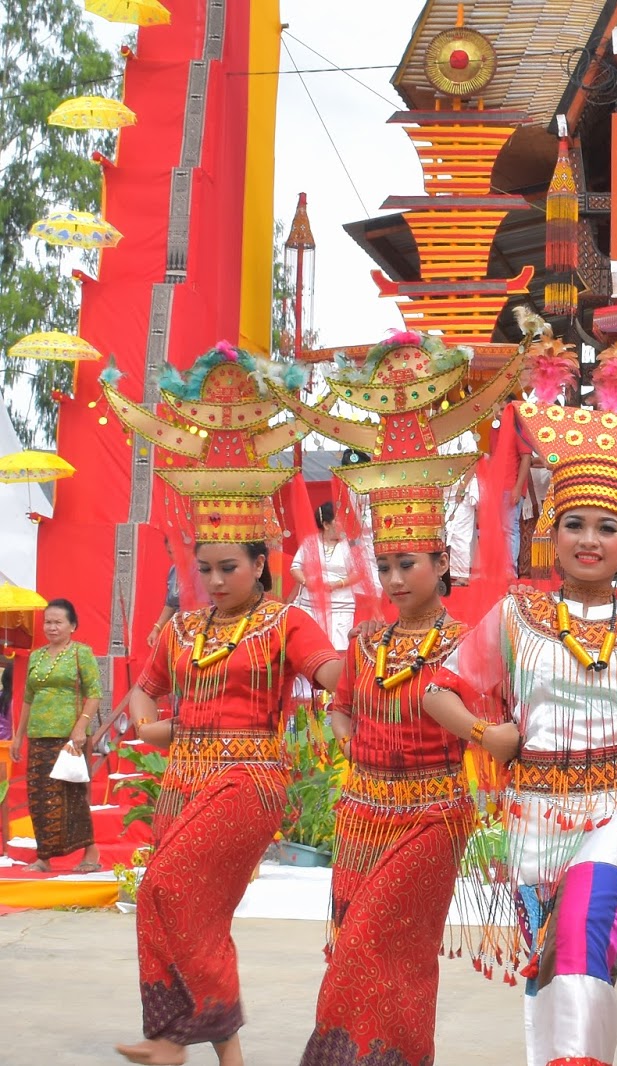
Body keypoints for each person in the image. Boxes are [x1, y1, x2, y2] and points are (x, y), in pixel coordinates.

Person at [424, 380, 617, 1066]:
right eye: (574, 525)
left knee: (584, 937)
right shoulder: (515, 617)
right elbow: (441, 693)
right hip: (533, 813)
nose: (588, 540)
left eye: (606, 528)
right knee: (550, 967)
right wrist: (486, 735)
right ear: (550, 533)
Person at [104, 349, 344, 1066]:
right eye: (205, 568)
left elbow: (328, 669)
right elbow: (146, 689)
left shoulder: (286, 623)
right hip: (184, 779)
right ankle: (210, 1052)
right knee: (180, 907)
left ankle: (172, 1038)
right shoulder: (178, 630)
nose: (213, 580)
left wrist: (359, 672)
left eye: (228, 568)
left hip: (248, 778)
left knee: (166, 887)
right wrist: (148, 719)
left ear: (261, 563)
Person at [299, 340, 522, 1066]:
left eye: (409, 565)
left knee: (385, 943)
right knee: (357, 947)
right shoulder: (364, 642)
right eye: (387, 565)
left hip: (432, 814)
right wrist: (339, 733)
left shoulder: (471, 641)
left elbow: (505, 715)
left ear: (441, 563)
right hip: (361, 812)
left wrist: (492, 736)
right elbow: (343, 706)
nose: (395, 578)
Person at [11, 598, 102, 873]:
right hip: (39, 735)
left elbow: (94, 693)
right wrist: (18, 736)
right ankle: (44, 857)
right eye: (48, 622)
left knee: (71, 795)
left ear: (72, 625)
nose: (51, 627)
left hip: (69, 738)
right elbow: (28, 697)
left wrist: (80, 727)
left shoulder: (80, 654)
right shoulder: (36, 657)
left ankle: (91, 852)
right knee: (39, 797)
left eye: (58, 622)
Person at [291, 501, 360, 652]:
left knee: (339, 648)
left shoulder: (348, 545)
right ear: (326, 524)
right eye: (339, 520)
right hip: (311, 602)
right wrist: (307, 582)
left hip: (341, 604)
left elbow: (358, 573)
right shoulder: (310, 543)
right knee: (311, 647)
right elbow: (295, 567)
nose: (343, 524)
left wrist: (338, 584)